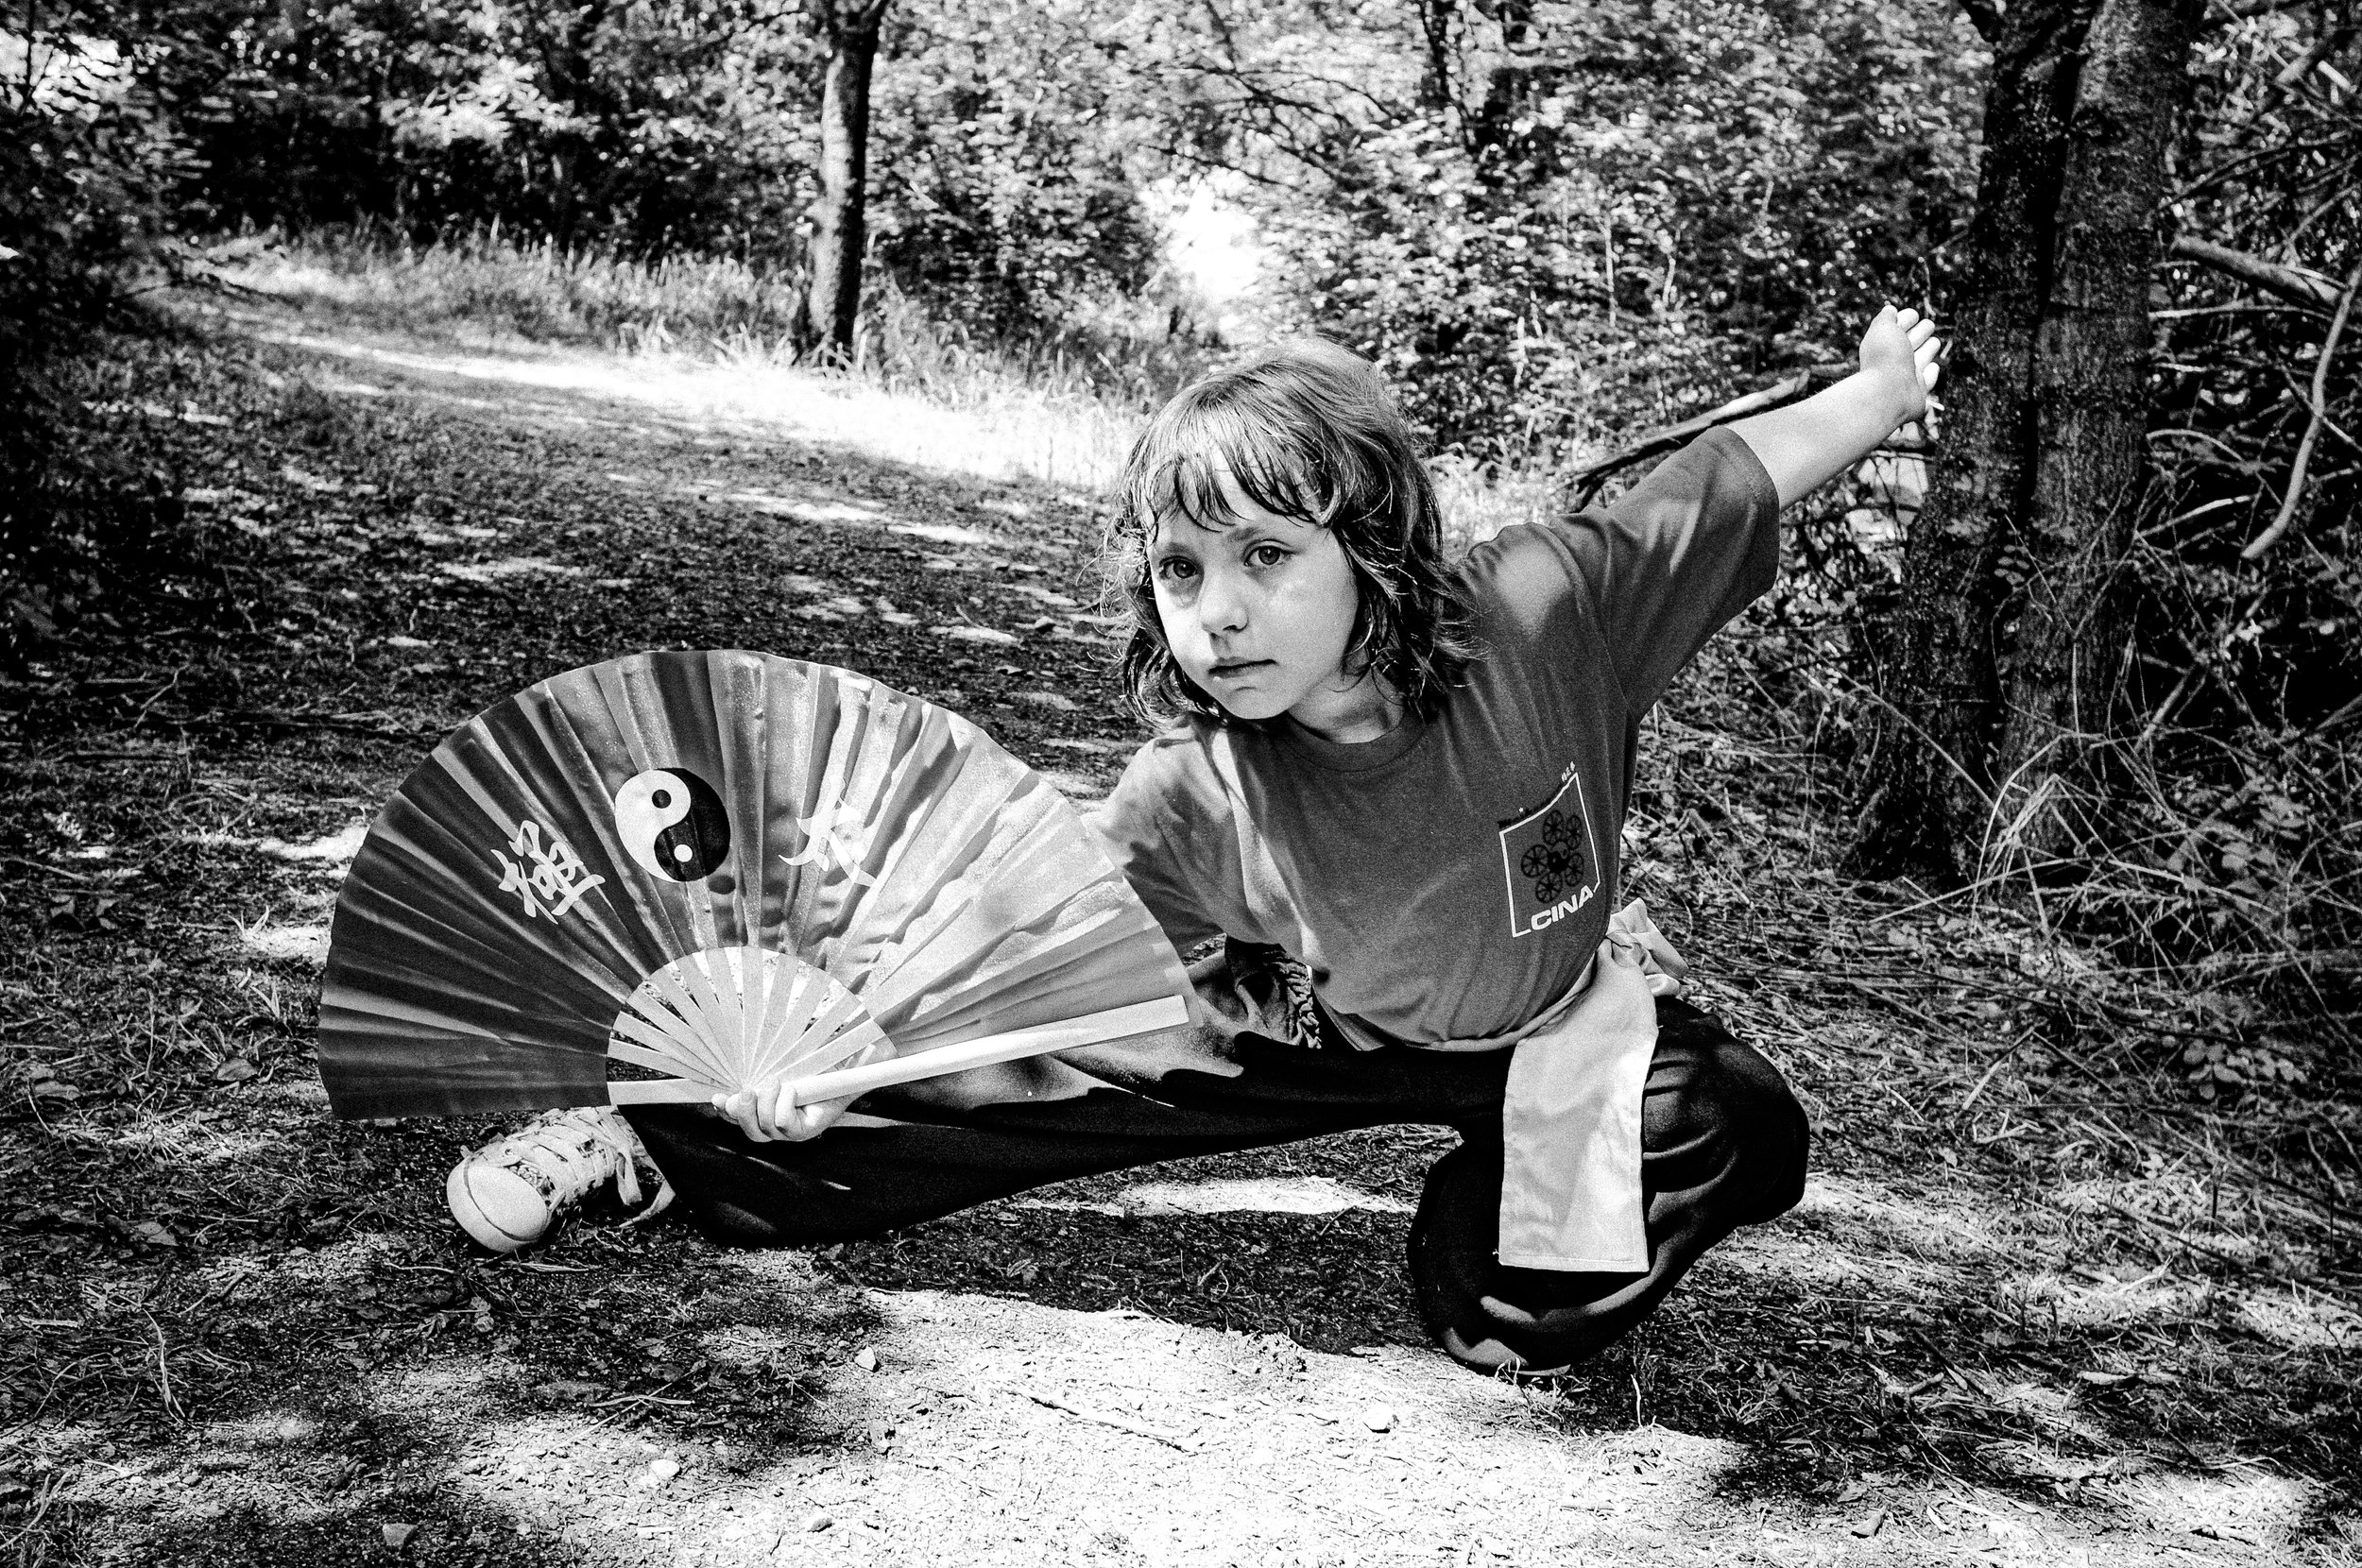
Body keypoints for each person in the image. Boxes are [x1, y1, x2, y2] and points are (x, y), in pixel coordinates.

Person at [447, 305, 1943, 1376]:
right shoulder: (1198, 786)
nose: (1214, 612)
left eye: (1265, 560)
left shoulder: (1545, 611)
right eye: (1179, 570)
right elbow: (1002, 948)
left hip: (1548, 1019)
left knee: (1731, 1130)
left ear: (1378, 553)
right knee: (989, 1072)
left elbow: (1731, 480)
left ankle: (1489, 1223)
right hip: (1305, 1016)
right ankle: (646, 1139)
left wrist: (1879, 393)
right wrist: (810, 1043)